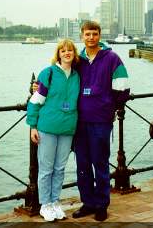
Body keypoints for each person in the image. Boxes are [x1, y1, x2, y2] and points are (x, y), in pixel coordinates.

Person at [71, 21, 130, 221]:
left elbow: (123, 87)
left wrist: (110, 108)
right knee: (83, 164)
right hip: (79, 121)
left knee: (101, 163)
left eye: (94, 34)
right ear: (82, 36)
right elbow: (60, 77)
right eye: (87, 34)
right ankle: (88, 202)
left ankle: (102, 204)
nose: (91, 38)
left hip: (101, 121)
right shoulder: (77, 61)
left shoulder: (112, 58)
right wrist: (39, 86)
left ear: (99, 35)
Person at [26, 39, 80, 222]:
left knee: (60, 168)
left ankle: (56, 201)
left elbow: (100, 49)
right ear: (58, 54)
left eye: (70, 50)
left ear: (74, 53)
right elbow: (35, 101)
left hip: (67, 128)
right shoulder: (48, 73)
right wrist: (33, 126)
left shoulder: (77, 76)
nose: (67, 53)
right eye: (63, 51)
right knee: (46, 168)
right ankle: (45, 205)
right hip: (47, 127)